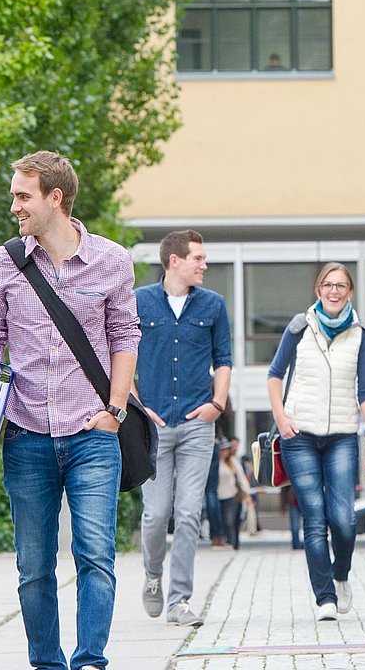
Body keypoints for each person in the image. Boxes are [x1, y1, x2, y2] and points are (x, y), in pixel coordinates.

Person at [0, 151, 138, 670]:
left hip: (92, 433)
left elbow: (125, 337)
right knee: (34, 565)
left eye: (23, 195)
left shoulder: (112, 260)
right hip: (25, 434)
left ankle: (90, 659)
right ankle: (46, 661)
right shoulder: (5, 262)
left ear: (54, 199)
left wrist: (115, 411)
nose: (14, 205)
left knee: (95, 556)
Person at [267, 262, 365, 621]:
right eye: (328, 285)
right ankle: (325, 598)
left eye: (341, 285)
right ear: (318, 290)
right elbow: (274, 375)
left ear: (349, 292)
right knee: (314, 518)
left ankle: (341, 573)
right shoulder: (300, 328)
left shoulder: (364, 334)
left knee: (344, 519)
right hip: (298, 436)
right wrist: (281, 417)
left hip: (343, 436)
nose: (334, 291)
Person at [135, 229, 232, 627]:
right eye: (198, 259)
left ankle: (180, 600)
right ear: (175, 261)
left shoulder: (214, 304)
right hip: (153, 427)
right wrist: (138, 408)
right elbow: (119, 356)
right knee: (157, 514)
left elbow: (224, 358)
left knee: (189, 512)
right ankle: (153, 575)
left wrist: (217, 404)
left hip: (197, 424)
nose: (204, 266)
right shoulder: (138, 302)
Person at [215, 438, 253, 549]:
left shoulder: (232, 461)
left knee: (230, 521)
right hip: (218, 496)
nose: (225, 452)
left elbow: (241, 478)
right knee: (220, 521)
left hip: (232, 496)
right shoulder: (214, 462)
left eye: (226, 449)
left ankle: (232, 544)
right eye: (222, 449)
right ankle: (223, 541)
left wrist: (247, 494)